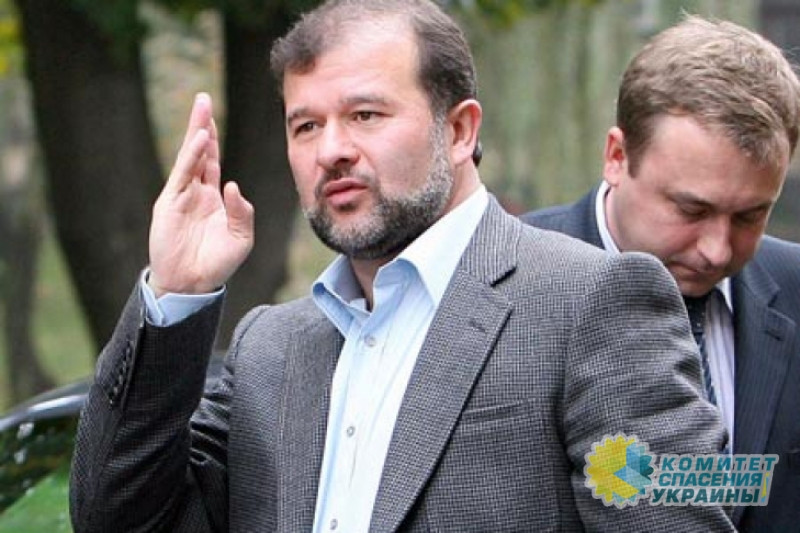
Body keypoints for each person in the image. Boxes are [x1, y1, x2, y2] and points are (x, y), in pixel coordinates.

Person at [69, 1, 733, 531]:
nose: (331, 150)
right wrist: (177, 295)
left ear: (460, 130)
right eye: (305, 126)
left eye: (365, 114)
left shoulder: (593, 301)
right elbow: (115, 518)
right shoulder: (269, 349)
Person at [522, 15, 800, 532]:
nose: (716, 250)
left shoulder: (795, 287)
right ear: (616, 156)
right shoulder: (505, 284)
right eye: (691, 210)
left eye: (750, 216)